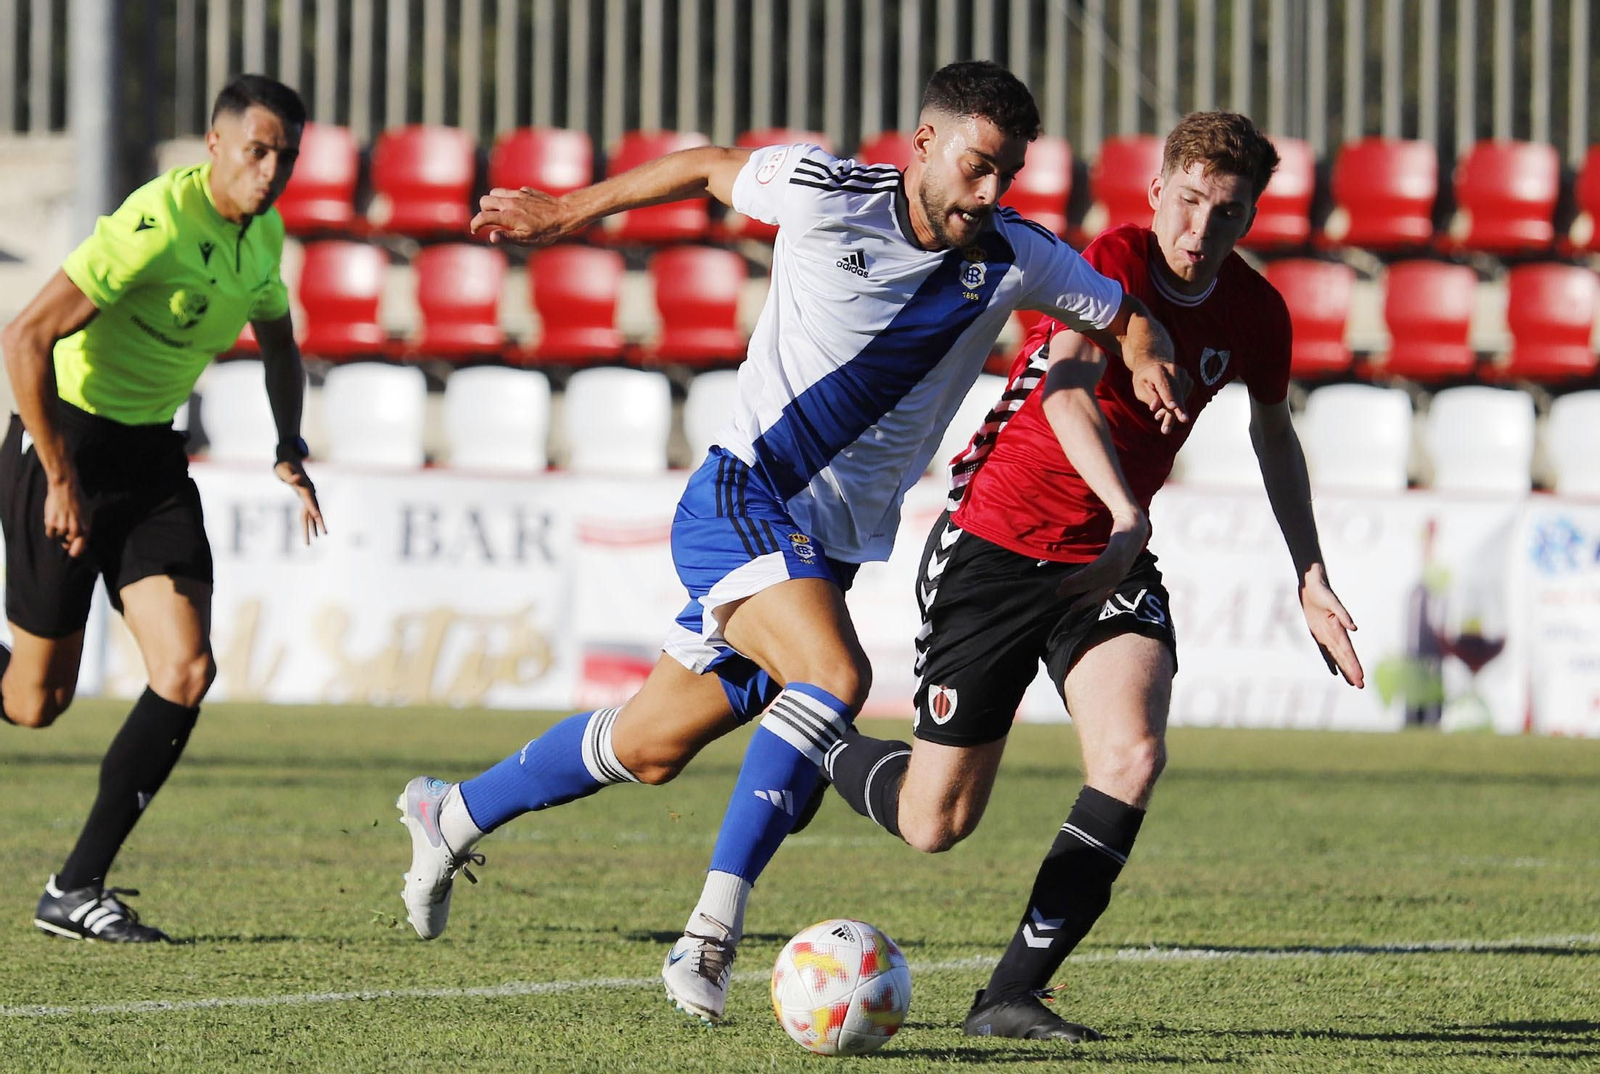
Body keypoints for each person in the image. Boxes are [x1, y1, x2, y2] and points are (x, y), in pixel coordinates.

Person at [394, 60, 1178, 1025]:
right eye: (977, 166)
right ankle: (710, 937)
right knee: (835, 678)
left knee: (648, 747)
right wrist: (566, 214)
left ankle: (451, 812)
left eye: (1007, 174)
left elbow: (1120, 313)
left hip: (826, 552)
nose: (990, 191)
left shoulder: (1016, 254)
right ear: (924, 143)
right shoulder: (822, 192)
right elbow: (704, 167)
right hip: (741, 496)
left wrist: (1146, 357)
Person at [815, 111, 1366, 1041]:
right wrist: (1127, 509)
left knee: (1132, 755)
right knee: (935, 824)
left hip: (1105, 558)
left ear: (1250, 218)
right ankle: (813, 738)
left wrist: (1309, 574)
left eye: (1227, 214)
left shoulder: (1256, 312)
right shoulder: (1108, 262)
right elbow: (1064, 389)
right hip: (994, 544)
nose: (1200, 231)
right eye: (1188, 202)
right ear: (1157, 193)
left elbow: (1276, 436)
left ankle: (1008, 997)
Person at [0, 74, 325, 942]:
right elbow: (25, 337)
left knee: (185, 670)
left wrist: (289, 443)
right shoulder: (154, 226)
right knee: (37, 704)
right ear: (215, 145)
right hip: (64, 445)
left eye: (285, 156)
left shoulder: (263, 237)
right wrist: (61, 476)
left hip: (148, 460)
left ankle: (75, 888)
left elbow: (280, 340)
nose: (272, 171)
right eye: (257, 150)